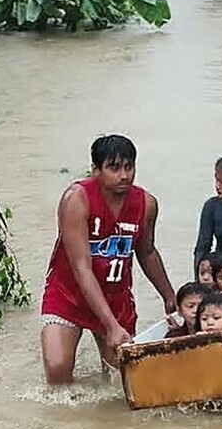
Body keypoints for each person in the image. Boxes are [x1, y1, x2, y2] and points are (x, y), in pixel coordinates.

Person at [40, 134, 177, 385]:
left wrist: (169, 296)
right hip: (68, 295)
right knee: (58, 371)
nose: (124, 175)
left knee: (124, 381)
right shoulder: (76, 199)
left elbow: (147, 252)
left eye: (129, 167)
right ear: (96, 170)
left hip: (116, 297)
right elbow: (81, 269)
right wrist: (110, 326)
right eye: (114, 168)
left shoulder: (146, 204)